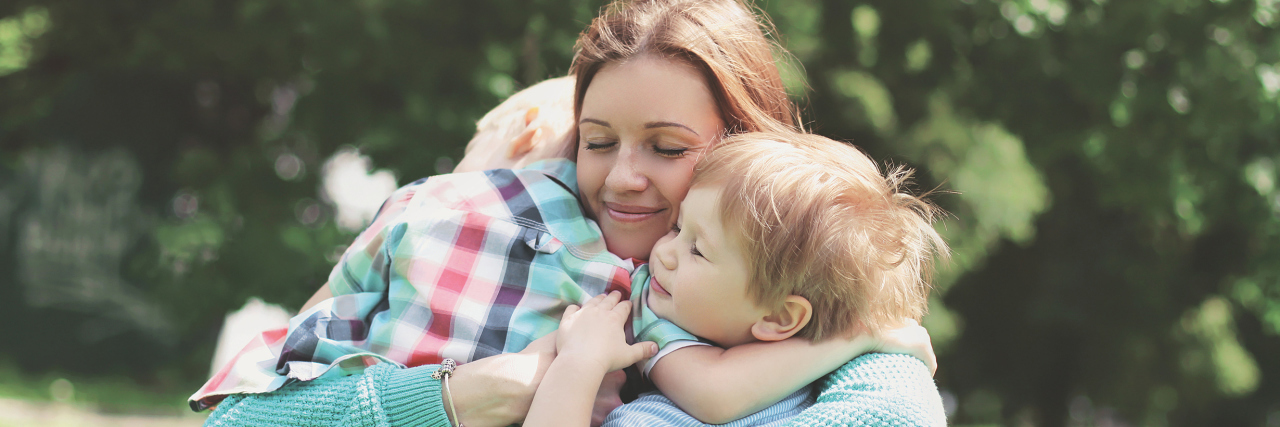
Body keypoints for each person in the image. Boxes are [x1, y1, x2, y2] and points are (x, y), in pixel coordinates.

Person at [193, 0, 942, 425]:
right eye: (596, 140)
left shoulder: (803, 273)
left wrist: (867, 334)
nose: (622, 178)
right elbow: (235, 421)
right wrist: (457, 397)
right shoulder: (461, 223)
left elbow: (896, 414)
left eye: (668, 148)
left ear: (742, 151)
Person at [525, 132, 949, 427]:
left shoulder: (844, 387)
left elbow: (720, 392)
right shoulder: (654, 312)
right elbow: (716, 392)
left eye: (697, 249)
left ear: (782, 318)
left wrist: (859, 340)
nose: (664, 252)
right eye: (677, 228)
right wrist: (859, 337)